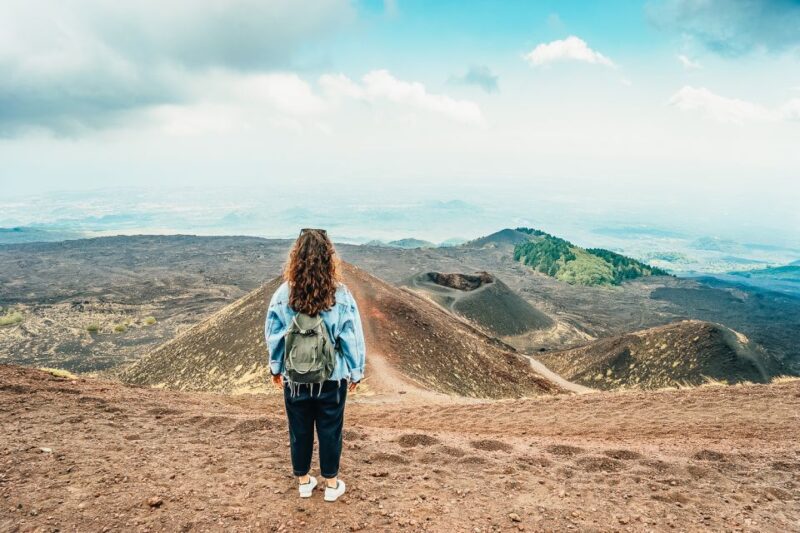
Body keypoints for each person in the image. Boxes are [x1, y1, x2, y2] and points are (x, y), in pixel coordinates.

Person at [265, 228, 366, 502]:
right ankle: (331, 485)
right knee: (330, 429)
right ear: (328, 258)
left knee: (299, 430)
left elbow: (274, 335)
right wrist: (356, 372)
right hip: (331, 378)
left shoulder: (283, 294)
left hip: (295, 378)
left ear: (295, 258)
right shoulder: (341, 295)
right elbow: (351, 337)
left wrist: (276, 368)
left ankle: (303, 482)